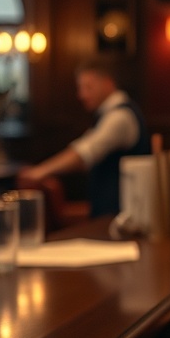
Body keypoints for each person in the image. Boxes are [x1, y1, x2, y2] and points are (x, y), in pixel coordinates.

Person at [18, 55, 150, 217]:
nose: (81, 95)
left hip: (122, 216)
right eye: (80, 88)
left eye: (88, 87)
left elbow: (83, 154)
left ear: (108, 83)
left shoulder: (120, 117)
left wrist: (38, 172)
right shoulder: (107, 115)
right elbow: (82, 149)